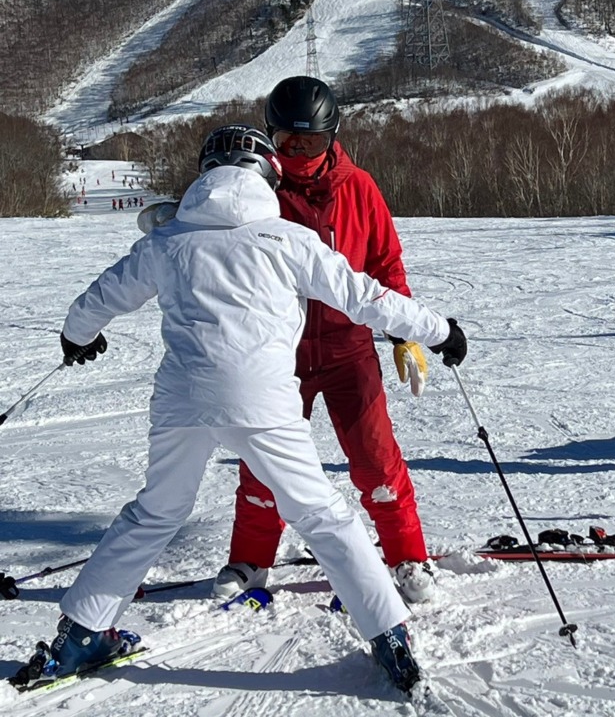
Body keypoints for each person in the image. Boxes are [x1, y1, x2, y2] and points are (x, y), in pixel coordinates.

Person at [18, 125, 467, 693]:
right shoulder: (288, 239)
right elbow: (368, 298)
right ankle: (389, 637)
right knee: (321, 515)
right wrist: (440, 331)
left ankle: (80, 636)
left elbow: (103, 295)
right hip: (261, 400)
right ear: (269, 177)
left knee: (156, 511)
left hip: (182, 401)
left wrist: (77, 335)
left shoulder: (168, 239)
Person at [211, 76, 440, 605]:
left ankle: (406, 556)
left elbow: (385, 264)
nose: (297, 155)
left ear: (331, 136)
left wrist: (403, 333)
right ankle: (250, 560)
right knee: (263, 462)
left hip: (347, 349)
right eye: (286, 142)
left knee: (375, 460)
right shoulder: (254, 191)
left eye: (309, 142)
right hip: (277, 352)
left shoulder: (357, 187)